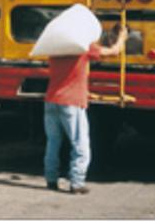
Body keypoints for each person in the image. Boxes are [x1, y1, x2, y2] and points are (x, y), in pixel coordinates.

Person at [44, 24, 126, 194]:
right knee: (80, 143)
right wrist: (122, 38)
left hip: (51, 100)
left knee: (53, 142)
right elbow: (113, 52)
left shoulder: (54, 49)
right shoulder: (83, 47)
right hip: (72, 102)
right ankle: (77, 182)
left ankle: (51, 179)